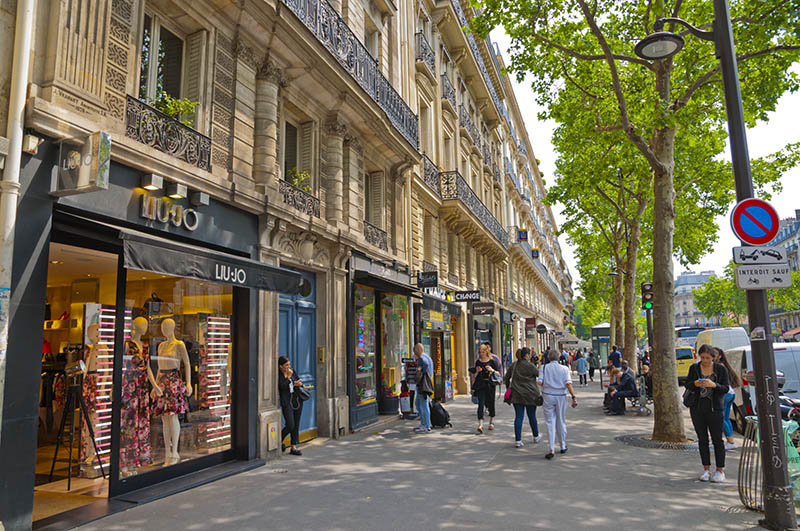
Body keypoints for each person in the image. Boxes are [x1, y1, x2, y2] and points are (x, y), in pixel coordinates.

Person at [684, 344, 730, 483]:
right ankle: (706, 469)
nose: (704, 360)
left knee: (717, 440)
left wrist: (714, 385)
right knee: (702, 439)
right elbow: (687, 384)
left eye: (708, 358)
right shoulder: (694, 368)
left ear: (713, 358)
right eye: (702, 357)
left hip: (714, 408)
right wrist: (695, 384)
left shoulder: (720, 369)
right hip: (697, 408)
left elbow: (725, 388)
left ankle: (720, 470)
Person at [538, 350, 577, 459]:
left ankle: (551, 448)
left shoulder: (544, 368)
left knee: (550, 422)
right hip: (561, 395)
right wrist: (573, 397)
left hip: (547, 395)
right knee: (561, 420)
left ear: (549, 358)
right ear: (559, 358)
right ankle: (563, 445)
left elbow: (540, 382)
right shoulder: (564, 369)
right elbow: (568, 384)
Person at [505, 347, 542, 447]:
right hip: (530, 394)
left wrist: (508, 387)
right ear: (526, 355)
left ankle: (518, 440)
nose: (530, 356)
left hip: (517, 394)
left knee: (519, 417)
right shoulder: (530, 365)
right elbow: (539, 374)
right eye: (529, 354)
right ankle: (536, 436)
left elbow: (506, 377)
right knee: (532, 416)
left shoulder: (514, 365)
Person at [714, 347, 742, 449]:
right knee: (725, 418)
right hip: (730, 393)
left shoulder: (718, 366)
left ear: (720, 356)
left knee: (721, 418)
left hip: (724, 394)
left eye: (714, 353)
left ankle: (730, 442)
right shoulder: (723, 365)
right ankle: (731, 441)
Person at [471, 343, 501, 433]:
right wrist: (477, 371)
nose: (481, 354)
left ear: (486, 352)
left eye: (483, 352)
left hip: (490, 385)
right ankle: (480, 424)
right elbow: (475, 375)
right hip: (481, 385)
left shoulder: (492, 361)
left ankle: (491, 422)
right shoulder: (478, 362)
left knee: (491, 403)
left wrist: (492, 370)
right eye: (480, 352)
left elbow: (498, 373)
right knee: (481, 404)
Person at [278, 356, 304, 456]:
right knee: (290, 424)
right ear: (280, 366)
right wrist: (289, 378)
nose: (288, 367)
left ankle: (293, 447)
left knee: (296, 424)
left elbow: (300, 382)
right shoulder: (279, 374)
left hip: (296, 400)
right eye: (286, 365)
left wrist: (298, 383)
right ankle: (279, 439)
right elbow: (282, 386)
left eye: (289, 364)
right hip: (286, 402)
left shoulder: (292, 371)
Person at [413, 343, 433, 433]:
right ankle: (424, 423)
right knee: (418, 403)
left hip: (423, 385)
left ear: (418, 350)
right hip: (426, 384)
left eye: (414, 351)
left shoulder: (421, 358)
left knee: (423, 405)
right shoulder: (427, 356)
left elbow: (425, 364)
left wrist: (420, 371)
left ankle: (426, 425)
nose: (414, 353)